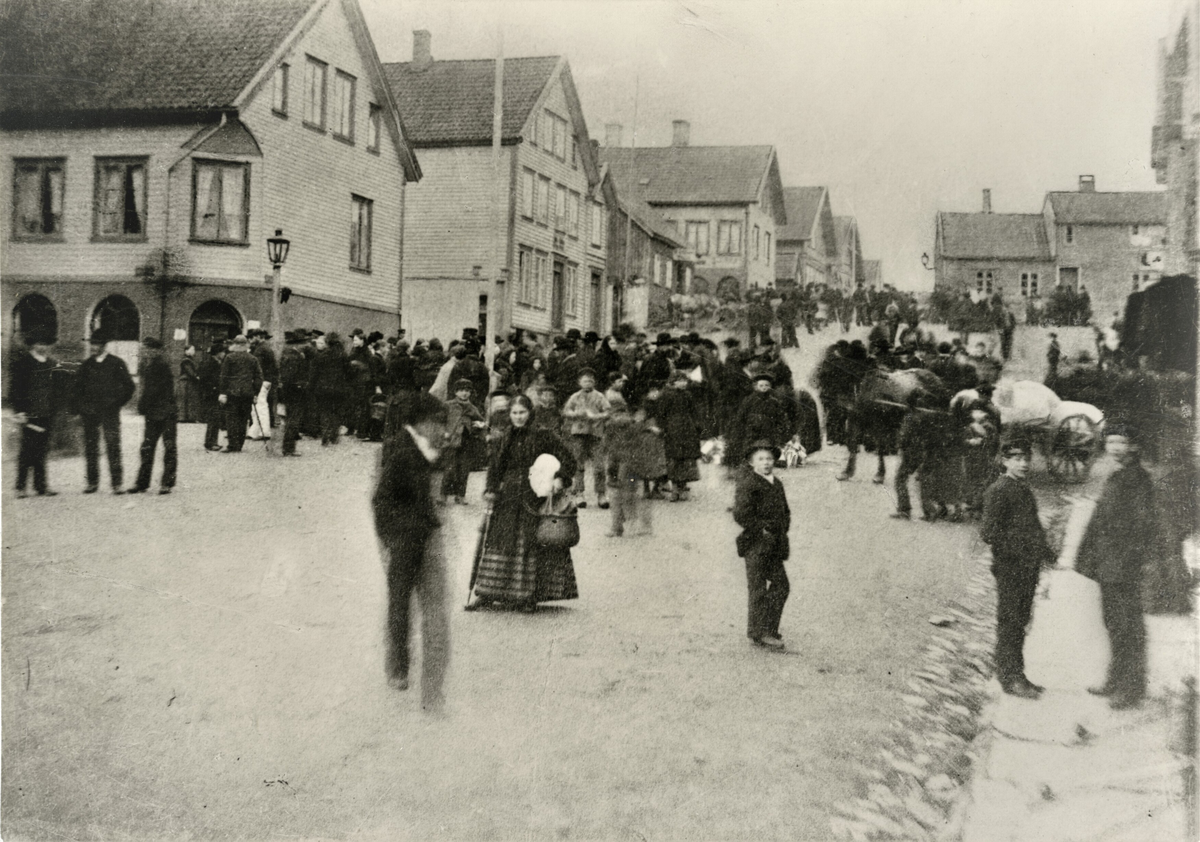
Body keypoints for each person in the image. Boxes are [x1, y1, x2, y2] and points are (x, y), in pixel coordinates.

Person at [371, 390, 451, 711]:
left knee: (426, 605)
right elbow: (381, 500)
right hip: (405, 540)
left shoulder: (420, 446)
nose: (442, 430)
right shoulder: (402, 451)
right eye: (438, 423)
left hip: (423, 536)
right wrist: (392, 538)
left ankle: (417, 675)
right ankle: (399, 666)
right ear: (421, 423)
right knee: (400, 604)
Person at [467, 395, 579, 612]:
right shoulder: (504, 437)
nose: (518, 417)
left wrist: (560, 477)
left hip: (533, 496)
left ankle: (528, 596)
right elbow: (495, 467)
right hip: (506, 497)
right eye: (514, 413)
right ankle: (487, 593)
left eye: (522, 413)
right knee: (497, 542)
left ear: (530, 413)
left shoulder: (543, 435)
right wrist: (490, 489)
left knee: (531, 544)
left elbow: (568, 459)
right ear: (509, 415)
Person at [1075, 425, 1155, 710]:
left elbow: (1142, 526)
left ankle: (1131, 688)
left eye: (1121, 442)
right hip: (1110, 563)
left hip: (1124, 565)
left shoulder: (1138, 480)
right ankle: (1116, 679)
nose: (1115, 448)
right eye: (1110, 442)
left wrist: (1125, 559)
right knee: (1114, 623)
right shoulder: (1119, 475)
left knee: (1127, 625)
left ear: (1134, 446)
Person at [980, 437, 1055, 699]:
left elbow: (1032, 527)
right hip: (1011, 568)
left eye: (1026, 459)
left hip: (1026, 568)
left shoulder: (1021, 488)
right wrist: (1023, 550)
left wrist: (1047, 554)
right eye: (1016, 459)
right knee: (1010, 623)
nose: (1023, 464)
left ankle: (1017, 674)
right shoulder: (999, 490)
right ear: (1004, 461)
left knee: (1019, 621)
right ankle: (1009, 678)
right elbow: (989, 533)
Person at [734, 441, 792, 651]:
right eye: (761, 459)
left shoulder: (776, 482)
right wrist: (762, 530)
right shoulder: (749, 483)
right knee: (758, 588)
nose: (766, 463)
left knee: (781, 585)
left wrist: (782, 528)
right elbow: (740, 514)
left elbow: (785, 510)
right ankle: (761, 633)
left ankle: (765, 629)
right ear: (752, 462)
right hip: (756, 544)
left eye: (769, 459)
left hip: (775, 544)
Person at [74, 331, 135, 493]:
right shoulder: (86, 365)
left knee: (113, 446)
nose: (93, 347)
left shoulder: (116, 363)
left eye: (96, 344)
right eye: (92, 344)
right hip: (90, 413)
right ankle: (92, 482)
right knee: (91, 447)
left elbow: (129, 386)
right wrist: (81, 407)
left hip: (110, 413)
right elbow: (77, 388)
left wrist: (116, 403)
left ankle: (117, 483)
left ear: (104, 346)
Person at [10, 334, 60, 497]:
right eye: (40, 342)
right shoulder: (22, 364)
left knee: (42, 449)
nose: (43, 347)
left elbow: (58, 389)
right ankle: (21, 486)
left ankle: (41, 486)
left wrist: (55, 408)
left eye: (46, 343)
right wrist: (19, 411)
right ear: (32, 344)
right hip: (28, 413)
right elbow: (15, 390)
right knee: (27, 450)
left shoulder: (52, 364)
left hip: (46, 412)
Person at [129, 336, 177, 494]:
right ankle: (142, 483)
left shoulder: (161, 365)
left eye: (148, 349)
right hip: (154, 412)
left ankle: (166, 483)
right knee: (147, 447)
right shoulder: (147, 365)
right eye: (144, 349)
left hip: (165, 412)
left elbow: (154, 391)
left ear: (155, 351)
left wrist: (142, 405)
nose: (145, 352)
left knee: (168, 447)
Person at [561, 368, 611, 509]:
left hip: (595, 433)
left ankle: (601, 494)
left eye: (590, 380)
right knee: (578, 464)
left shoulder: (599, 396)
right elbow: (566, 411)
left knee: (599, 466)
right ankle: (579, 494)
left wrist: (597, 416)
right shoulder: (575, 397)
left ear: (594, 382)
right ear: (579, 382)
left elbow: (608, 411)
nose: (588, 383)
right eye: (584, 380)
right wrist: (577, 413)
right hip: (578, 433)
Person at [648, 369, 702, 501]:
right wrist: (662, 427)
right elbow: (661, 413)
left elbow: (694, 411)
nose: (683, 383)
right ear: (672, 382)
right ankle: (675, 488)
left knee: (686, 458)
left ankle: (682, 487)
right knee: (674, 459)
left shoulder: (687, 395)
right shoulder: (666, 395)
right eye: (680, 381)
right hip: (672, 429)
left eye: (684, 381)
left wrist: (697, 425)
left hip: (687, 429)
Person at [442, 379, 486, 505]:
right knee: (449, 469)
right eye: (461, 390)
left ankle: (460, 496)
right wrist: (444, 432)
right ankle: (443, 495)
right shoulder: (448, 405)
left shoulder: (472, 408)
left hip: (467, 442)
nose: (464, 394)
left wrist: (478, 425)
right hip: (452, 440)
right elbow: (439, 420)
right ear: (456, 392)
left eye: (467, 391)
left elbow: (482, 423)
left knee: (463, 469)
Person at [217, 334, 263, 453]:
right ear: (246, 345)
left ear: (235, 345)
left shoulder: (229, 357)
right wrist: (255, 393)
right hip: (247, 393)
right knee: (243, 419)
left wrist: (222, 392)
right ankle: (239, 445)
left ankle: (232, 445)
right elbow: (259, 377)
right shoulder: (253, 358)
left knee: (231, 419)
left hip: (232, 393)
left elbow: (223, 376)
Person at [278, 330, 310, 457]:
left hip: (288, 391)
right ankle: (289, 448)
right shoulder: (294, 356)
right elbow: (291, 377)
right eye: (303, 343)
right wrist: (301, 384)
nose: (305, 345)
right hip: (295, 391)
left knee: (290, 419)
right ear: (297, 344)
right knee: (293, 420)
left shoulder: (286, 354)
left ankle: (288, 448)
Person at [200, 341, 226, 451]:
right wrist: (215, 390)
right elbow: (206, 380)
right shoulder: (211, 364)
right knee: (213, 419)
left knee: (215, 419)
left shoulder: (214, 362)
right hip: (211, 395)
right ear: (218, 353)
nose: (224, 353)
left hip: (213, 394)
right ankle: (210, 442)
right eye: (222, 351)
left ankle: (212, 441)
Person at [177, 345, 202, 423]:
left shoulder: (189, 360)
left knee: (188, 399)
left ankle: (187, 417)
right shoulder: (186, 360)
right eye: (192, 349)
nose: (194, 351)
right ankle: (184, 417)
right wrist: (196, 377)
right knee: (187, 399)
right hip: (186, 381)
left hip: (188, 381)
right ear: (186, 351)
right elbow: (190, 371)